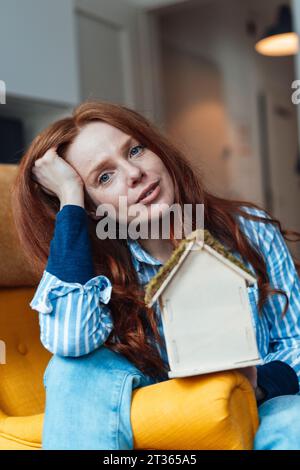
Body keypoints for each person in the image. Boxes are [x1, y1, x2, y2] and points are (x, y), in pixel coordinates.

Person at [11, 101, 300, 450]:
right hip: (158, 427)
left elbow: (294, 343)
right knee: (71, 368)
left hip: (261, 407)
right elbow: (71, 340)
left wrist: (253, 388)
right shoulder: (97, 273)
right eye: (104, 176)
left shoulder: (250, 231)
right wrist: (71, 200)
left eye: (135, 150)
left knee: (293, 420)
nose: (134, 173)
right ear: (92, 207)